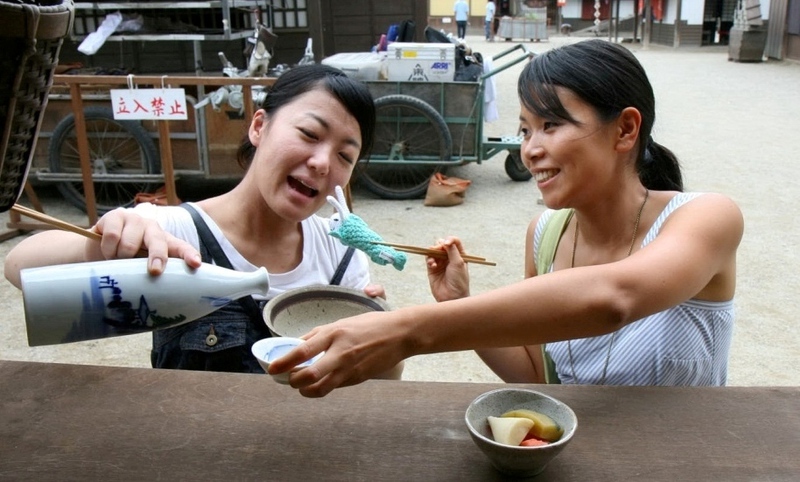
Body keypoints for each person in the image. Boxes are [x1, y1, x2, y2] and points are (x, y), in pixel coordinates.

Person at [268, 39, 744, 397]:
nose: (530, 149)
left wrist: (406, 332)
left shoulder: (705, 218)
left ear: (624, 129)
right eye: (524, 128)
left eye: (551, 125)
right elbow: (537, 376)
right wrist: (458, 299)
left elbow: (614, 298)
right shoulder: (544, 234)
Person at [4, 63, 399, 375]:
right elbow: (19, 270)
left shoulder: (341, 255)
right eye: (310, 134)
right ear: (260, 126)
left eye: (345, 156)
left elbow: (377, 388)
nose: (321, 162)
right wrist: (96, 244)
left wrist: (385, 340)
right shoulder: (170, 233)